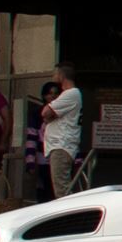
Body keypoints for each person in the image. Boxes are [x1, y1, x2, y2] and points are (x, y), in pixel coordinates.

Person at [39, 63, 85, 199]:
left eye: (55, 73)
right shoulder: (69, 95)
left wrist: (50, 115)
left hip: (61, 145)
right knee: (60, 187)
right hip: (59, 145)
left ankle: (69, 216)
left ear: (61, 75)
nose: (53, 76)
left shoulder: (71, 93)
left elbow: (46, 112)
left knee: (62, 190)